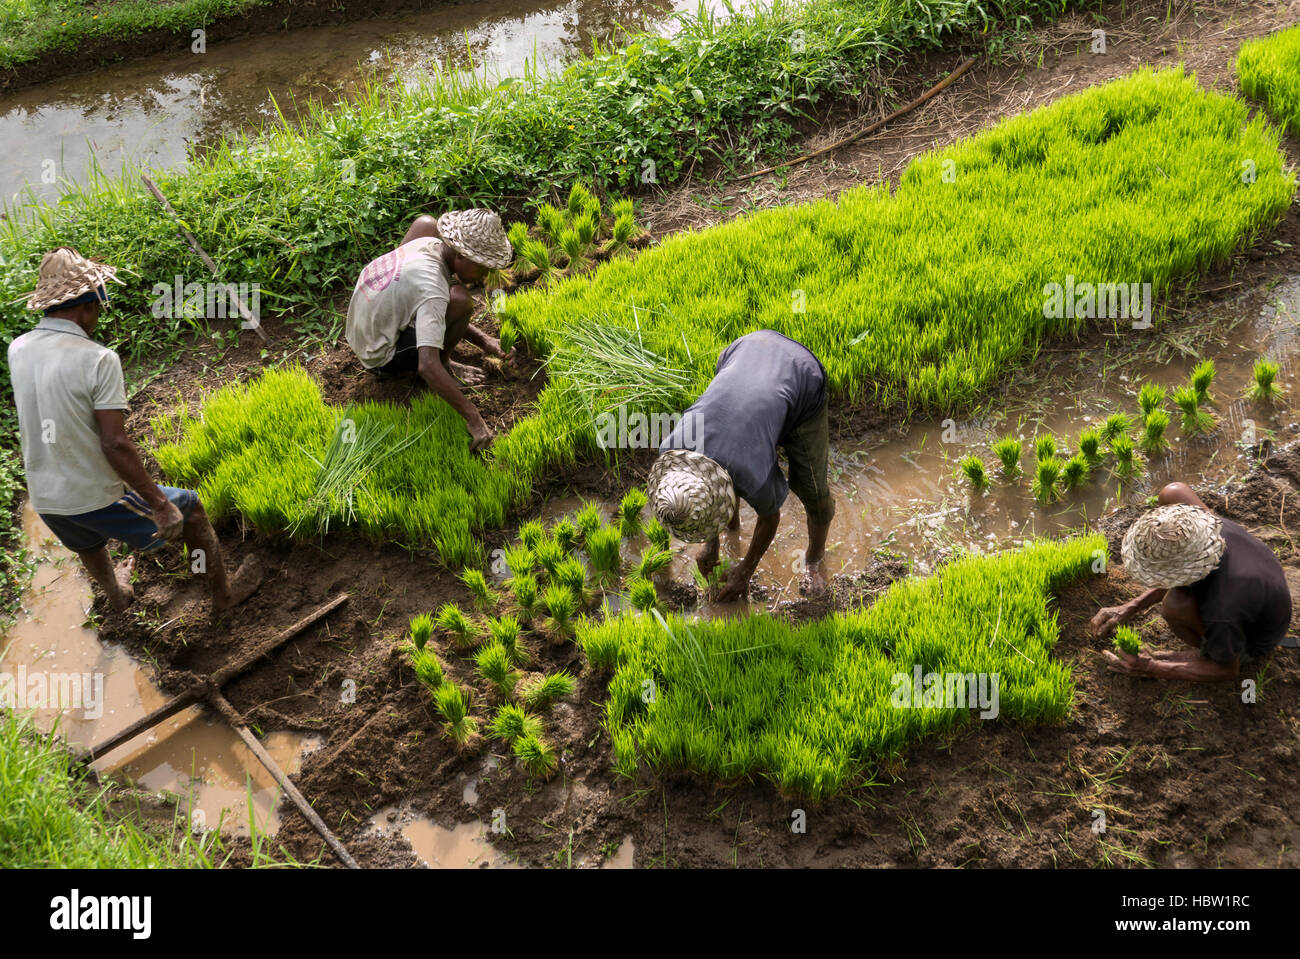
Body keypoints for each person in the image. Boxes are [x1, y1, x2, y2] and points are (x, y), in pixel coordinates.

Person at [8, 248, 263, 612]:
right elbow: (115, 444)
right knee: (190, 510)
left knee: (87, 544)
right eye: (98, 304)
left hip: (46, 499)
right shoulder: (98, 359)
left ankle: (116, 594)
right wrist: (160, 504)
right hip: (93, 499)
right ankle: (223, 595)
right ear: (88, 304)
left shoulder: (18, 349)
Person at [647, 329, 835, 602]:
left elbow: (770, 518)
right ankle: (731, 529)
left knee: (811, 488)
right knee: (728, 468)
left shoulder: (748, 472)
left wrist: (745, 571)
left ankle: (814, 562)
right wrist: (711, 546)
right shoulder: (671, 451)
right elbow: (710, 483)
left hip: (801, 376)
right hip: (745, 350)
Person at [345, 210, 514, 453]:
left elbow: (429, 306)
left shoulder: (426, 241)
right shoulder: (432, 288)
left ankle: (445, 357)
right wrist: (473, 417)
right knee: (460, 300)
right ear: (460, 254)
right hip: (380, 355)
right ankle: (447, 364)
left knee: (426, 222)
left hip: (364, 326)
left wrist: (484, 340)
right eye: (482, 267)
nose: (485, 276)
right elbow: (426, 365)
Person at [1091, 482, 1293, 680]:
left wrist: (1151, 667)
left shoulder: (1222, 610)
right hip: (1260, 581)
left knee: (1176, 604)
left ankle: (1208, 650)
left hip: (1254, 637)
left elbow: (1227, 670)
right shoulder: (1208, 530)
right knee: (1173, 492)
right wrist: (1131, 606)